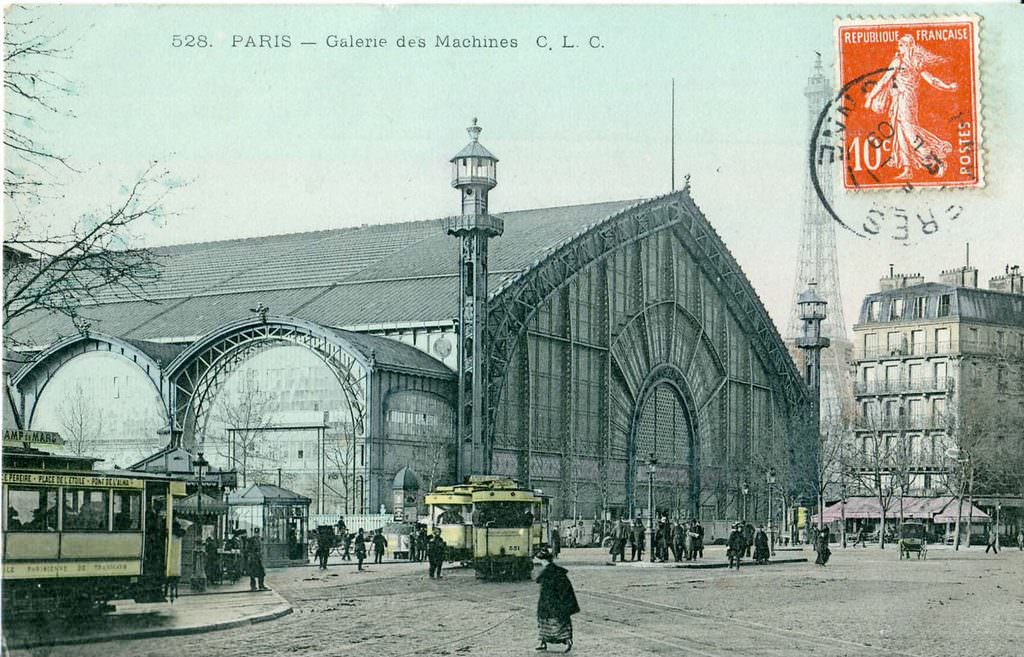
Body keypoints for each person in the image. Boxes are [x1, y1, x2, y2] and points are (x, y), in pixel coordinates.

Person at [863, 34, 958, 181]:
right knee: (900, 133)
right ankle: (907, 169)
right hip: (900, 100)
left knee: (909, 131)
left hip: (906, 100)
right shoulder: (903, 61)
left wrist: (947, 87)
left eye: (901, 45)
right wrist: (948, 87)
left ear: (908, 46)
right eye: (899, 45)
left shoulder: (910, 62)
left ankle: (933, 158)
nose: (899, 48)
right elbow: (884, 81)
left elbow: (931, 79)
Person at [534, 549, 580, 653]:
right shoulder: (556, 571)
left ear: (544, 561)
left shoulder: (548, 572)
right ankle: (560, 641)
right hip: (556, 603)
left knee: (548, 623)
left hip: (551, 604)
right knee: (559, 623)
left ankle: (547, 641)